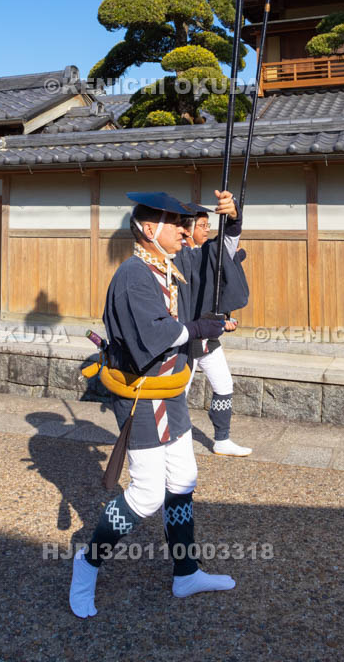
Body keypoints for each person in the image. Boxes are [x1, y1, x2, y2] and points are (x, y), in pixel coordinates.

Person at [69, 189, 249, 619]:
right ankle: (87, 563)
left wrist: (232, 222)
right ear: (150, 229)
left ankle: (186, 572)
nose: (186, 233)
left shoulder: (169, 266)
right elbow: (157, 335)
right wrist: (198, 327)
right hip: (142, 397)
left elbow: (215, 261)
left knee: (183, 477)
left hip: (170, 392)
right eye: (177, 225)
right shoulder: (134, 275)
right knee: (148, 494)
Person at [183, 205, 252, 457]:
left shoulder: (211, 252)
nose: (207, 229)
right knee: (179, 392)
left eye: (208, 225)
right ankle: (172, 439)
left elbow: (230, 236)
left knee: (224, 385)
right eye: (201, 226)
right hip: (185, 336)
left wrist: (224, 318)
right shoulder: (177, 257)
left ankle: (222, 438)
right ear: (186, 229)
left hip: (209, 335)